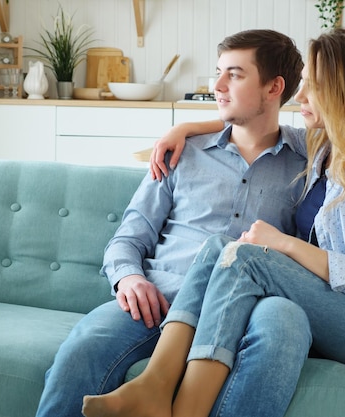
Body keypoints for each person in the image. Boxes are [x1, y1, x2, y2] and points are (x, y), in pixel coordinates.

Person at [81, 28, 345, 417]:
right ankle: (156, 387)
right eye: (302, 84)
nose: (300, 96)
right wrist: (184, 128)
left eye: (314, 87)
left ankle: (171, 398)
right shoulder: (323, 148)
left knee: (244, 253)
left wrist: (287, 244)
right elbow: (251, 124)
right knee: (225, 247)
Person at [35, 29, 309, 417]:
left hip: (236, 313)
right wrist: (128, 277)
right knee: (83, 350)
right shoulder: (180, 154)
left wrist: (188, 124)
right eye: (219, 72)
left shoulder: (307, 165)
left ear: (274, 87)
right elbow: (128, 236)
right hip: (158, 299)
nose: (217, 86)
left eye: (235, 74)